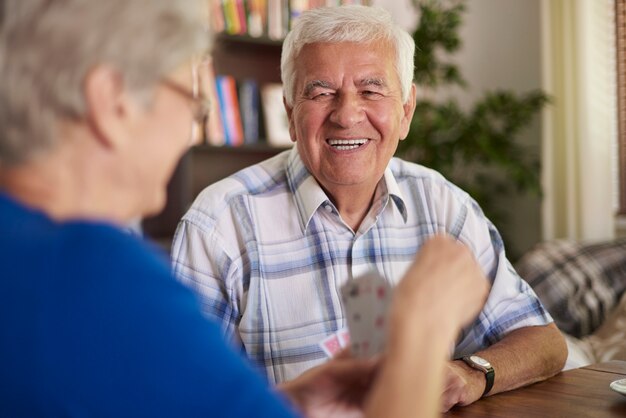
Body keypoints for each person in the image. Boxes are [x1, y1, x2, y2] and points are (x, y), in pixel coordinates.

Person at [0, 1, 490, 417]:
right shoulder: (98, 275)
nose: (194, 126)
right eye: (192, 102)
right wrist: (420, 335)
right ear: (114, 102)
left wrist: (286, 403)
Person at [171, 4, 568, 411]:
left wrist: (469, 374)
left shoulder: (445, 207)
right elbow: (178, 399)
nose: (346, 115)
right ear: (290, 114)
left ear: (406, 112)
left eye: (371, 90)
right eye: (321, 92)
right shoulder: (218, 225)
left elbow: (545, 343)